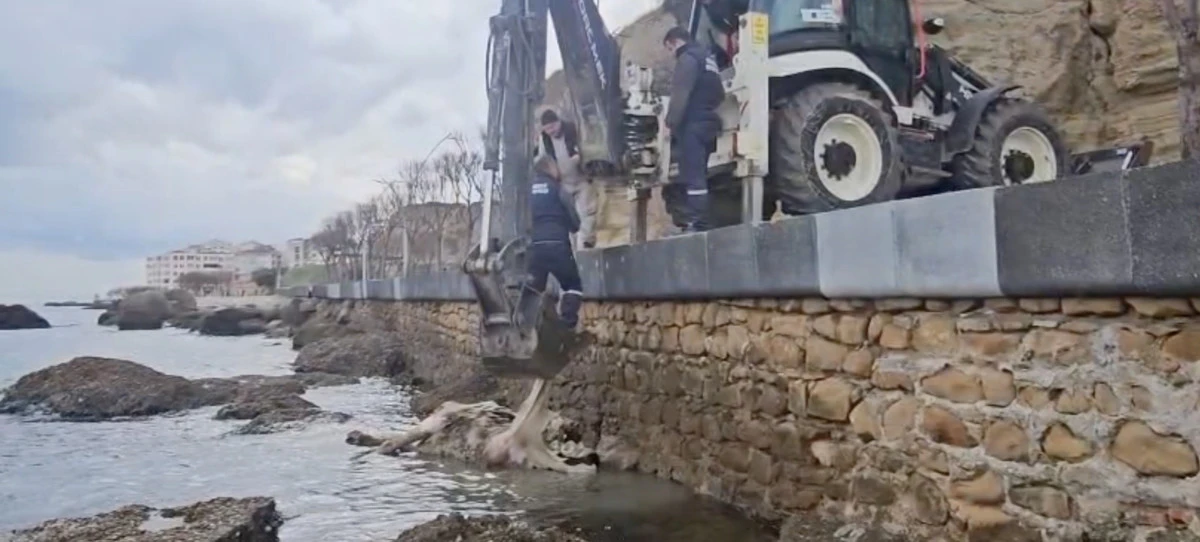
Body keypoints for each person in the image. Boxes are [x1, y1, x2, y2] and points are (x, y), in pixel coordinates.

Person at [662, 26, 726, 233]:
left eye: (668, 49)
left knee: (693, 176)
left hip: (692, 126)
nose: (670, 55)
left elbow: (680, 95)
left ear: (673, 42)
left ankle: (698, 224)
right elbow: (720, 94)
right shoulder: (708, 59)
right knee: (701, 174)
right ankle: (702, 220)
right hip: (709, 123)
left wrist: (669, 123)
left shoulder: (687, 59)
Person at [524, 152, 584, 330]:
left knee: (534, 288)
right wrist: (573, 227)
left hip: (535, 248)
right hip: (558, 245)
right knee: (572, 285)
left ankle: (529, 327)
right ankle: (566, 325)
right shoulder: (558, 189)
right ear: (551, 168)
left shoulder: (526, 192)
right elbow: (574, 220)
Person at [537, 108, 598, 249]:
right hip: (562, 185)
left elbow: (587, 146)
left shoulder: (572, 129)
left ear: (558, 122)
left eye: (552, 127)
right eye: (547, 129)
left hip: (581, 180)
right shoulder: (544, 140)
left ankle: (586, 246)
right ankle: (572, 251)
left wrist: (581, 157)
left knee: (587, 214)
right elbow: (543, 161)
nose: (551, 131)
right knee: (568, 220)